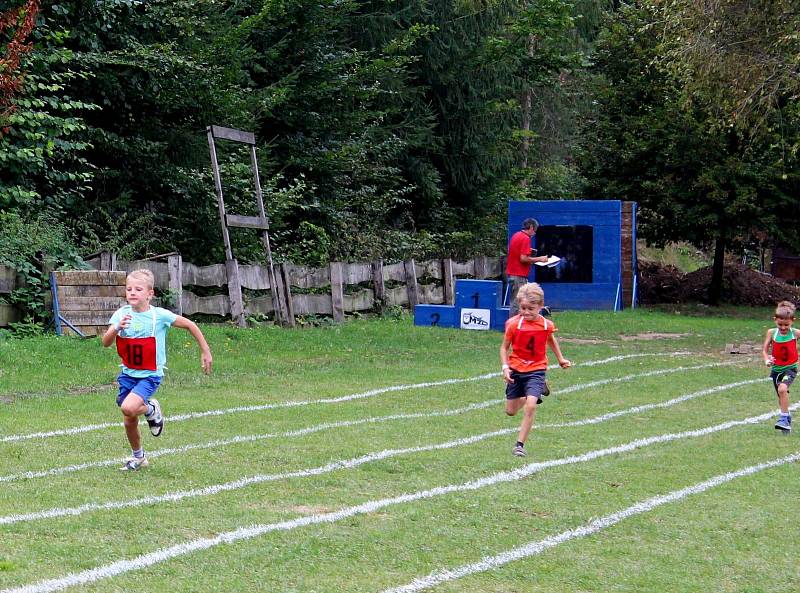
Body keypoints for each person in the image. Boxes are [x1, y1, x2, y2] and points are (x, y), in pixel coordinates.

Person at [102, 269, 213, 470]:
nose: (132, 293)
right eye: (129, 289)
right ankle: (139, 457)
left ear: (149, 294)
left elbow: (190, 325)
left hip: (150, 376)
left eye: (138, 289)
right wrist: (116, 328)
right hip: (128, 374)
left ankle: (151, 409)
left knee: (128, 407)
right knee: (129, 419)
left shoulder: (159, 316)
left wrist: (205, 350)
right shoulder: (121, 315)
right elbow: (106, 342)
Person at [500, 282, 570, 457]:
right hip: (516, 368)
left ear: (540, 306)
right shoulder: (514, 324)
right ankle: (538, 390)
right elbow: (504, 348)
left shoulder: (546, 325)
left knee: (531, 406)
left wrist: (561, 359)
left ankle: (519, 445)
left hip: (537, 369)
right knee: (510, 411)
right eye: (523, 308)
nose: (526, 312)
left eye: (531, 308)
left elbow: (551, 340)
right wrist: (505, 368)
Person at [762, 300, 799, 432]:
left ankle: (783, 418)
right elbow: (765, 350)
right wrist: (767, 360)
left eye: (786, 325)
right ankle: (786, 418)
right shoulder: (772, 333)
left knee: (782, 390)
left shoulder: (795, 333)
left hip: (790, 368)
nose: (783, 328)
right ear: (775, 320)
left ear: (793, 321)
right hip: (776, 370)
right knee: (781, 395)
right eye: (780, 324)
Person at [506, 217, 550, 316]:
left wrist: (529, 251)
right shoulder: (526, 238)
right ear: (530, 227)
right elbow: (523, 259)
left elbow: (516, 252)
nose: (534, 233)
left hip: (512, 273)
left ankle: (514, 325)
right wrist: (540, 259)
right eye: (534, 230)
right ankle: (513, 327)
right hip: (519, 275)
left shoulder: (516, 235)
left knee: (515, 301)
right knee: (518, 303)